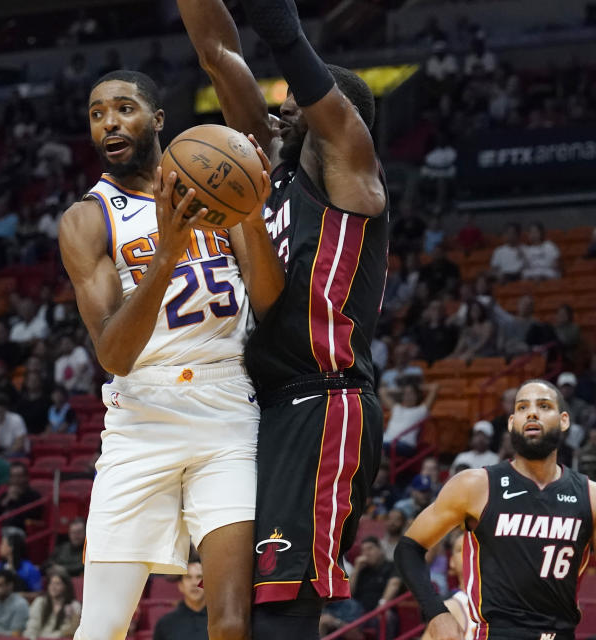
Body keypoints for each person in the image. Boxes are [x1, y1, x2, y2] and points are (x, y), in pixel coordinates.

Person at [177, 0, 389, 636]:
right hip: (256, 407)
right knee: (235, 608)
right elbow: (218, 58)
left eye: (302, 94)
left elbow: (331, 116)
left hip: (323, 403)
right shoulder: (262, 174)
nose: (286, 102)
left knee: (282, 605)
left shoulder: (354, 181)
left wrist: (284, 29)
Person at [58, 61, 284, 637]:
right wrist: (166, 254)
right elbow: (113, 354)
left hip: (226, 404)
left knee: (231, 623)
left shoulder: (218, 189)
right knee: (102, 627)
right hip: (142, 415)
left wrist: (253, 213)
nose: (109, 122)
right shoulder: (87, 219)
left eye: (124, 108)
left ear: (158, 119)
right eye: (96, 114)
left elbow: (269, 303)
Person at [395, 379, 596, 640]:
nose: (532, 413)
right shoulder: (475, 485)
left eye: (544, 406)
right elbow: (409, 548)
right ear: (512, 423)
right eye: (522, 408)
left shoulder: (589, 495)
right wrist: (436, 613)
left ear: (564, 420)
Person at [153, 558, 208, 640]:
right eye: (188, 577)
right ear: (180, 585)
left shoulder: (220, 621)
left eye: (199, 577)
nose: (194, 583)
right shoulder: (165, 624)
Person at [380, 383, 439, 457]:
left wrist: (417, 387)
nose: (408, 396)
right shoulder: (396, 408)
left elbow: (435, 388)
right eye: (405, 393)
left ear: (417, 396)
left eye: (411, 393)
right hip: (386, 442)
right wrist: (402, 389)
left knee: (377, 447)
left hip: (405, 445)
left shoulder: (421, 410)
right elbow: (382, 391)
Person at [24, 567, 82, 639]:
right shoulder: (40, 602)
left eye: (57, 584)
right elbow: (32, 626)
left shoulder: (74, 606)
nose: (53, 587)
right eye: (51, 583)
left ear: (66, 586)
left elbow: (71, 631)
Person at [0, 528, 43, 593]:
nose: (0, 546)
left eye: (2, 544)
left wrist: (16, 596)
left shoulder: (29, 569)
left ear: (11, 548)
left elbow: (38, 594)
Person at [0, 462, 43, 529]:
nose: (16, 480)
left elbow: (31, 518)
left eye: (19, 476)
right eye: (13, 476)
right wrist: (6, 500)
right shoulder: (5, 495)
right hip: (2, 533)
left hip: (24, 534)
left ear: (26, 477)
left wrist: (16, 500)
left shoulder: (34, 496)